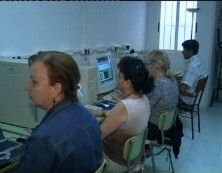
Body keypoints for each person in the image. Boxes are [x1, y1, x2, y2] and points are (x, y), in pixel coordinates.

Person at [17, 51, 103, 173]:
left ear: (56, 89)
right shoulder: (87, 115)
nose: (27, 87)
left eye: (34, 82)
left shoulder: (43, 140)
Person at [92, 56, 154, 173]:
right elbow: (127, 118)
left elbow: (98, 135)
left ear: (128, 83)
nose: (117, 79)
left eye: (119, 76)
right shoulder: (144, 99)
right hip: (134, 157)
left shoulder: (123, 106)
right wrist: (103, 112)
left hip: (116, 161)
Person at [146, 50, 179, 143]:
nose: (147, 67)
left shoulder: (159, 83)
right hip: (166, 126)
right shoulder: (172, 79)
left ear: (154, 67)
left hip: (154, 128)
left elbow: (146, 106)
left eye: (148, 65)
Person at [179, 39, 207, 105]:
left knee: (165, 92)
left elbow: (182, 89)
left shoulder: (191, 66)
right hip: (195, 98)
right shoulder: (200, 62)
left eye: (184, 50)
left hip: (186, 99)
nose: (182, 52)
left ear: (190, 51)